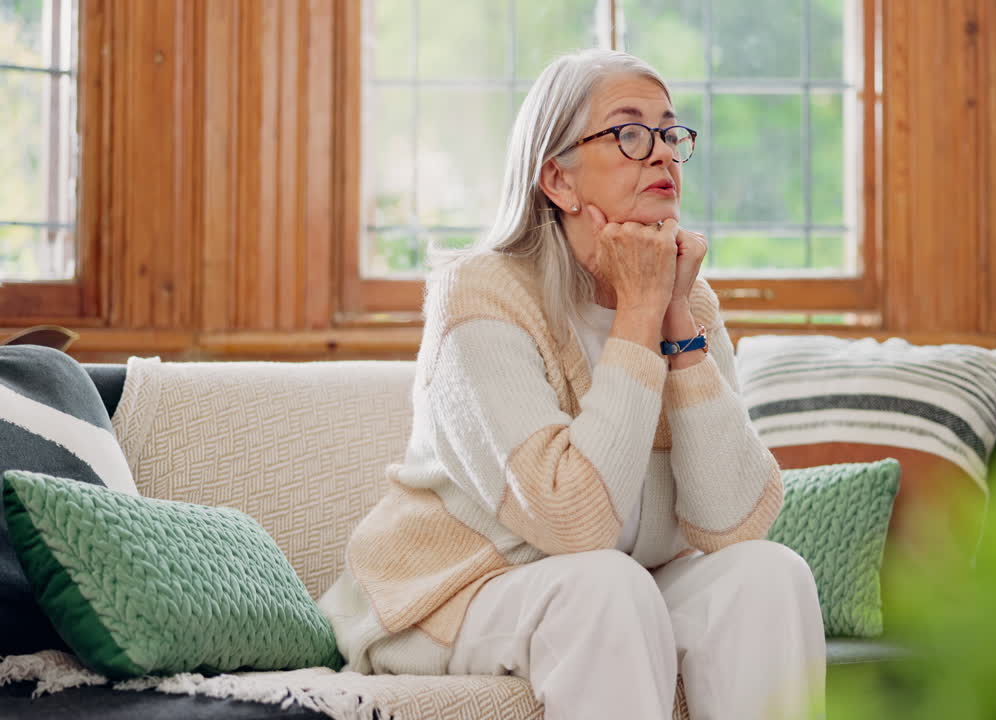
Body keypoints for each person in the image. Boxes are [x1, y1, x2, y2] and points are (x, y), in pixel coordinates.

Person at [319, 48, 825, 720]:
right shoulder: (480, 293)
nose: (663, 154)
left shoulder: (691, 302)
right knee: (605, 586)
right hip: (456, 592)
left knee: (769, 575)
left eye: (671, 133)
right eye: (629, 132)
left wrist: (674, 317)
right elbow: (574, 521)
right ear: (557, 180)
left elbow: (736, 523)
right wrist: (640, 311)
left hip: (618, 581)